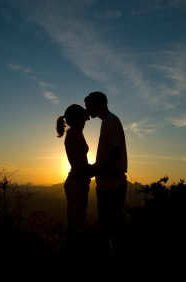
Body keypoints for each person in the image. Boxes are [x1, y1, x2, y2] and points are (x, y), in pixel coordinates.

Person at [84, 91, 128, 262]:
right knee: (108, 230)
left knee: (110, 231)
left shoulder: (111, 121)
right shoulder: (107, 122)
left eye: (89, 105)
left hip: (112, 185)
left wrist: (97, 168)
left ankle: (113, 266)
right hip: (107, 184)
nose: (87, 110)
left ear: (97, 102)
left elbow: (116, 151)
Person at [56, 104, 94, 256]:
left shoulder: (75, 133)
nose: (87, 111)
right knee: (73, 225)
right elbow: (80, 165)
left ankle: (69, 255)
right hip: (77, 183)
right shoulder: (76, 134)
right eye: (83, 110)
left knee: (74, 223)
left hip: (77, 182)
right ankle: (68, 257)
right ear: (79, 116)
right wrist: (100, 168)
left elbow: (80, 164)